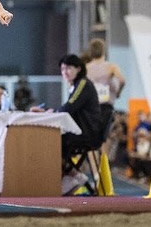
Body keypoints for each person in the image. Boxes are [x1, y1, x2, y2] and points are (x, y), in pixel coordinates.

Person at [30, 54, 101, 195]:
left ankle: (74, 175)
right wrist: (47, 111)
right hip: (79, 131)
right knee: (49, 141)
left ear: (78, 69)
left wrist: (50, 112)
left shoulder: (83, 84)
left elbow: (70, 106)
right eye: (62, 69)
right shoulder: (75, 86)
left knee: (48, 142)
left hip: (86, 134)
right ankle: (73, 175)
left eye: (68, 68)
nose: (65, 72)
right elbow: (67, 108)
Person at [86, 38, 126, 139]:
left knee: (92, 137)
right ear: (104, 51)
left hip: (90, 107)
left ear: (90, 52)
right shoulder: (111, 67)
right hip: (105, 107)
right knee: (105, 137)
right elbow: (122, 80)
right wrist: (118, 93)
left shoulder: (86, 68)